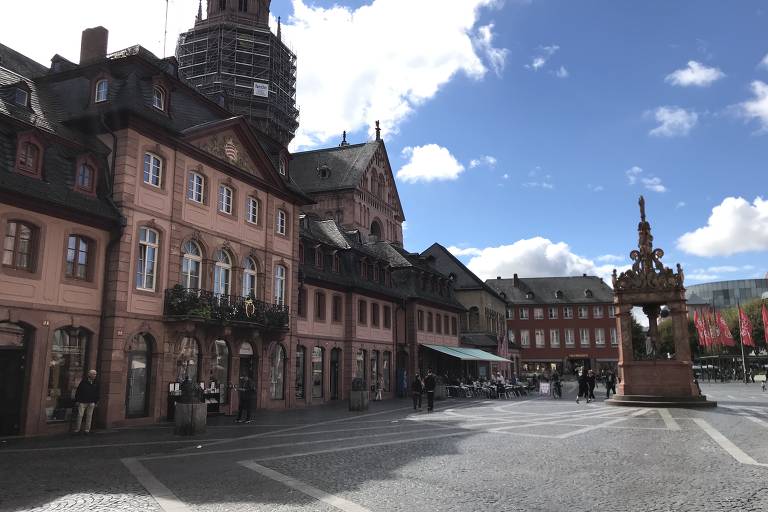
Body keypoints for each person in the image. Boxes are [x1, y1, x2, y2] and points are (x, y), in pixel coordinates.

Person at [73, 370, 99, 434]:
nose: (94, 376)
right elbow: (78, 391)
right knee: (80, 415)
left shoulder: (96, 383)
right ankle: (77, 429)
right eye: (93, 374)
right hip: (82, 401)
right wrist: (77, 400)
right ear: (89, 375)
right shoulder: (83, 382)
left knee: (89, 416)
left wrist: (96, 401)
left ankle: (87, 430)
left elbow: (97, 392)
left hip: (91, 402)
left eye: (95, 374)